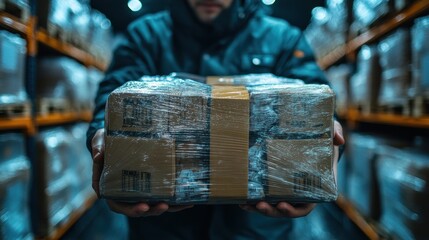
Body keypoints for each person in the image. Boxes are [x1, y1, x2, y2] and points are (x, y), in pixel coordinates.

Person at [87, 0, 345, 239]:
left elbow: (316, 101)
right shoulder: (146, 35)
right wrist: (105, 137)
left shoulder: (282, 37)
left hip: (256, 227)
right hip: (164, 224)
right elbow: (114, 94)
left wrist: (326, 145)